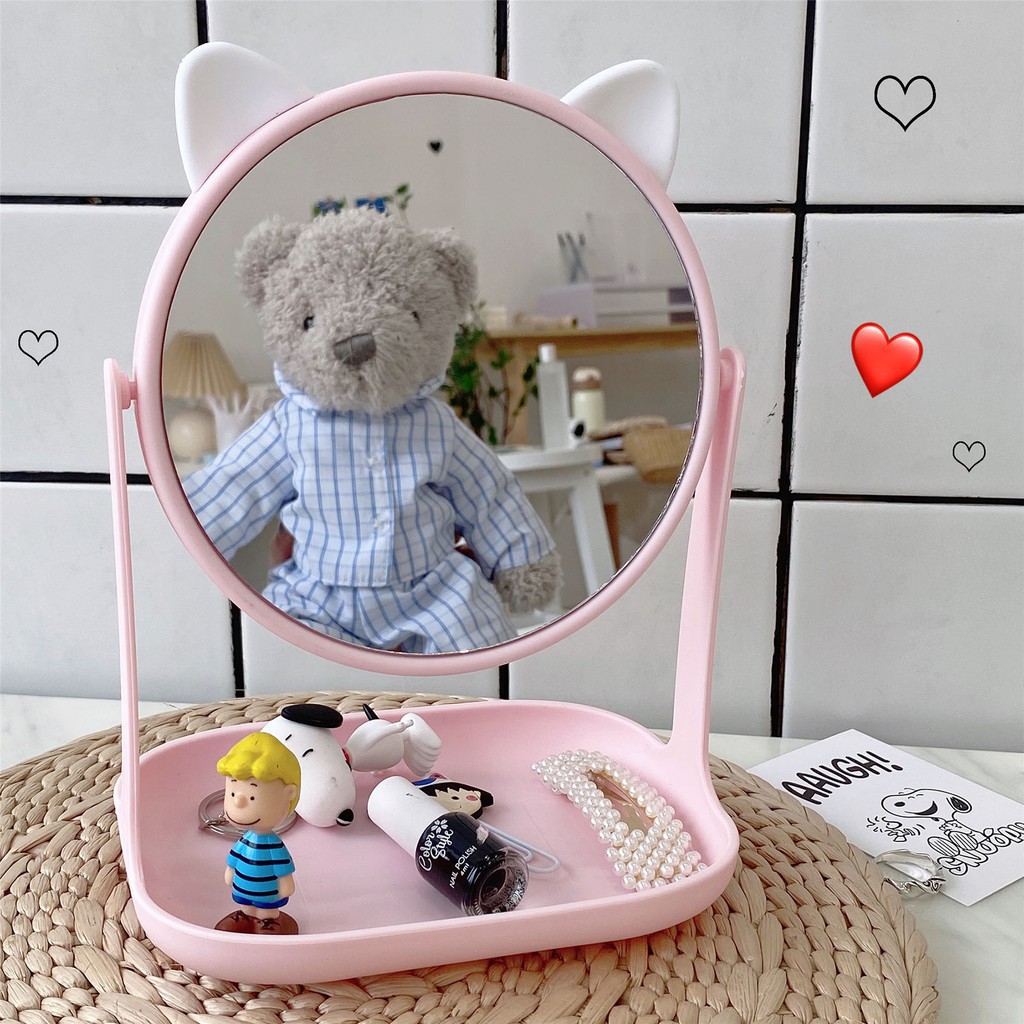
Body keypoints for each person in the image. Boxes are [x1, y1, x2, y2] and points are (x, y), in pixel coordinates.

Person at [215, 732, 301, 935]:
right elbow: (234, 859)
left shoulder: (273, 845)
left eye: (252, 797)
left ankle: (267, 920)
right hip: (243, 888)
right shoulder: (245, 841)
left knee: (266, 908)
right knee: (245, 903)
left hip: (268, 893)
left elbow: (282, 869)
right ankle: (246, 916)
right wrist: (230, 872)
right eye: (232, 793)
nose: (238, 802)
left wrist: (285, 884)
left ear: (288, 794)